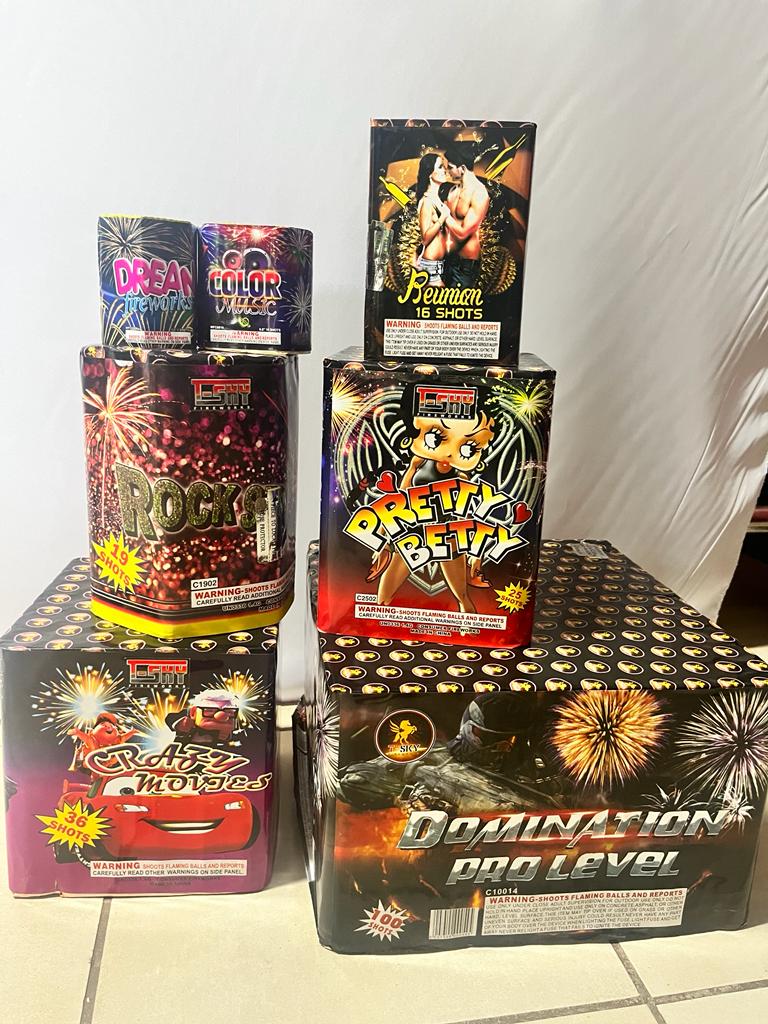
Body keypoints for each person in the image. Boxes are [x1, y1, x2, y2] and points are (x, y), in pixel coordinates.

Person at [367, 383, 496, 611]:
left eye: (468, 447)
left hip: (446, 533)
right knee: (383, 598)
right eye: (436, 437)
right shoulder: (418, 462)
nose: (450, 452)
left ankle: (470, 626)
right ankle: (374, 622)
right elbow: (401, 498)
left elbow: (467, 511)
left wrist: (475, 552)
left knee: (462, 596)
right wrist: (385, 543)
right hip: (414, 532)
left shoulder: (461, 476)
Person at [439, 142, 490, 288]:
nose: (447, 171)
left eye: (450, 167)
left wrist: (442, 211)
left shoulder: (479, 193)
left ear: (462, 168)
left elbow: (462, 234)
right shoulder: (452, 191)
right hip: (446, 259)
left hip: (466, 265)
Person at [413, 154, 450, 285]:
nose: (444, 170)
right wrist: (443, 217)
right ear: (430, 173)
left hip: (439, 266)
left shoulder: (437, 199)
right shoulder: (427, 201)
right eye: (440, 167)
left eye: (444, 166)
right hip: (430, 267)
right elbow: (425, 238)